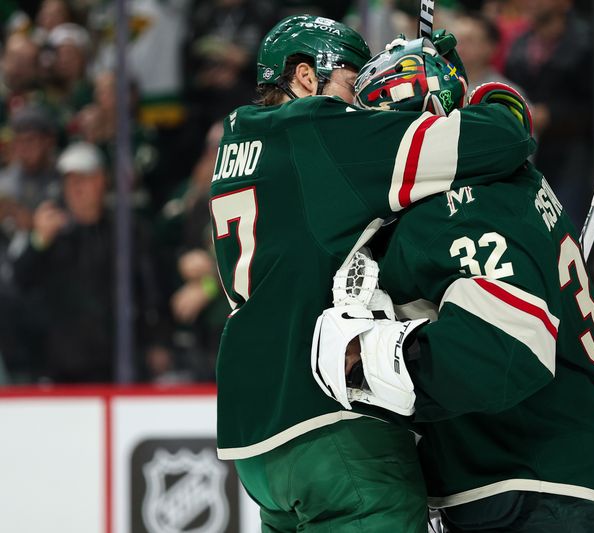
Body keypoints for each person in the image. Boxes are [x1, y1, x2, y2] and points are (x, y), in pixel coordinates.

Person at [209, 16, 535, 531]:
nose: (361, 101)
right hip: (333, 421)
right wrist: (496, 102)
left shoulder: (237, 145)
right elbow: (497, 142)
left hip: (255, 441)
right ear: (305, 77)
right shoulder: (321, 132)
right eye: (350, 80)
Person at [313, 57, 594, 531]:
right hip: (545, 471)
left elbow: (506, 347)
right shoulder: (502, 182)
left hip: (535, 477)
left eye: (390, 127)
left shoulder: (460, 205)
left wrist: (368, 354)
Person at [12, 142, 165, 383]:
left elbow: (151, 287)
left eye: (84, 179)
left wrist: (157, 341)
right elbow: (18, 281)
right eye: (70, 182)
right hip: (61, 368)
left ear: (102, 181)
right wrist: (38, 241)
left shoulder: (128, 230)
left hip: (119, 363)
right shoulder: (49, 232)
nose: (76, 189)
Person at [503, 0, 594, 222]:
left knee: (565, 224)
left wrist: (551, 115)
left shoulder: (588, 43)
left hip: (574, 153)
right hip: (528, 152)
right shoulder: (518, 46)